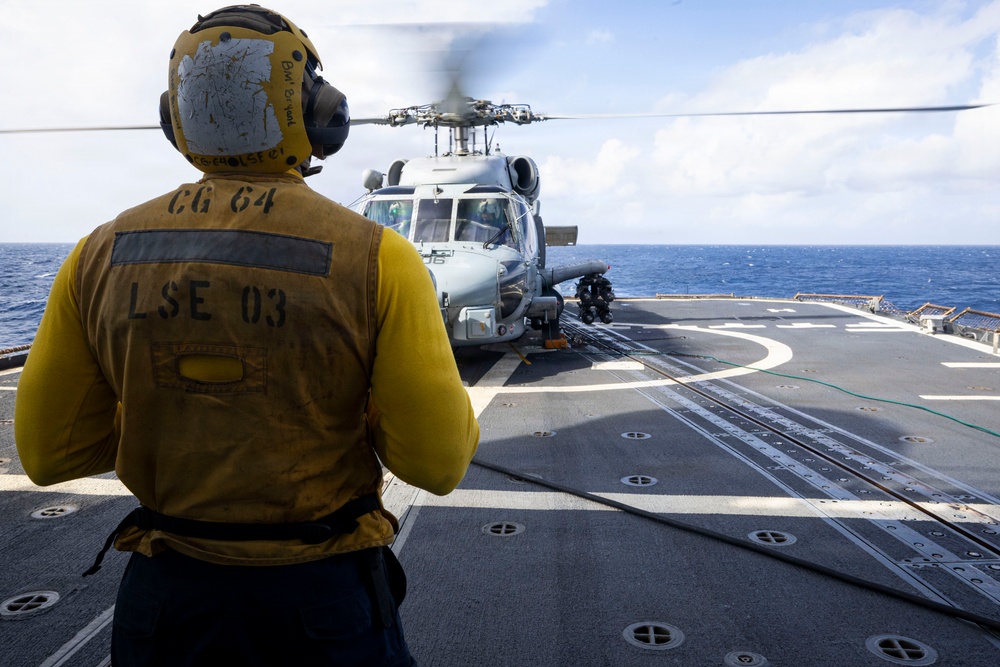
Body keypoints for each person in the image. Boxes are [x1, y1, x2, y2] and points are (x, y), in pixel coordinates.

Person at [14, 5, 478, 666]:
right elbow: (437, 461)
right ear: (320, 114)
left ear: (174, 118)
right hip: (321, 601)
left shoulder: (97, 254)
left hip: (166, 605)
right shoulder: (377, 256)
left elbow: (49, 453)